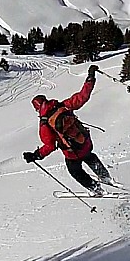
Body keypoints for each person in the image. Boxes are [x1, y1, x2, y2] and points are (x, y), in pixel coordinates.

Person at [23, 64, 112, 196]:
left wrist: (36, 155)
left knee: (75, 170)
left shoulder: (45, 123)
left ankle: (96, 189)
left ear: (37, 109)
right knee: (90, 156)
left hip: (72, 152)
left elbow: (50, 145)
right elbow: (83, 96)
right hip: (85, 142)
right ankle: (106, 177)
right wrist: (90, 77)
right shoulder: (63, 106)